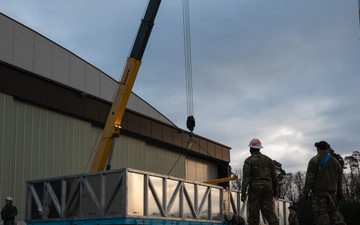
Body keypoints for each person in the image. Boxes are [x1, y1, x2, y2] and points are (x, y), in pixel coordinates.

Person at [303, 140, 347, 225]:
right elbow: (339, 180)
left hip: (319, 193)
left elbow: (309, 179)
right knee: (334, 214)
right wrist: (339, 193)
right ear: (327, 148)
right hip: (332, 192)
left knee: (321, 216)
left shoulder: (313, 161)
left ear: (318, 148)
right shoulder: (336, 161)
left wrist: (305, 193)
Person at [241, 138, 279, 225]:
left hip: (255, 189)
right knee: (269, 212)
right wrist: (276, 192)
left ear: (250, 149)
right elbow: (274, 177)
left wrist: (243, 192)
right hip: (267, 188)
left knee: (254, 214)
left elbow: (246, 178)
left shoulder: (249, 160)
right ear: (259, 148)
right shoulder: (269, 160)